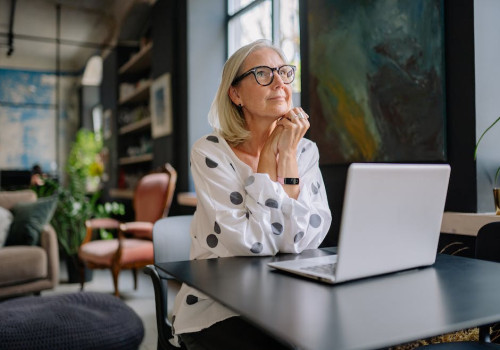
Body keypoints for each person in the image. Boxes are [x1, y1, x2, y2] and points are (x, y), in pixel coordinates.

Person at [171, 39, 332, 349]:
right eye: (263, 73)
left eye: (284, 73)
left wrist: (283, 155)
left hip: (290, 298)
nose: (279, 82)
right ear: (236, 94)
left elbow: (306, 240)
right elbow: (251, 246)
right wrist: (268, 158)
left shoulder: (306, 150)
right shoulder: (210, 152)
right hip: (219, 308)